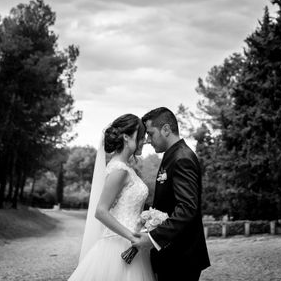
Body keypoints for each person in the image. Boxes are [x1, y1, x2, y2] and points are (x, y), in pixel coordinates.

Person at [68, 114, 155, 281]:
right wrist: (131, 236)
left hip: (131, 242)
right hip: (119, 244)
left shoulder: (125, 168)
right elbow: (101, 211)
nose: (145, 140)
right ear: (126, 137)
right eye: (141, 136)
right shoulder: (119, 170)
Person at [132, 107, 211, 281]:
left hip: (182, 258)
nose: (147, 140)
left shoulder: (182, 158)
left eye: (151, 133)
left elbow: (187, 208)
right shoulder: (172, 155)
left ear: (166, 129)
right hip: (172, 255)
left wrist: (153, 237)